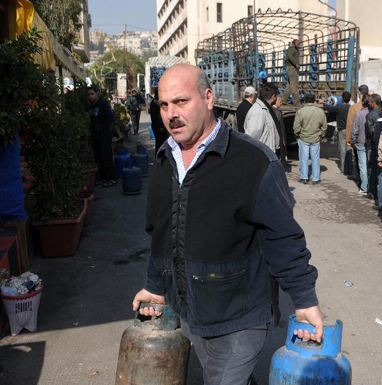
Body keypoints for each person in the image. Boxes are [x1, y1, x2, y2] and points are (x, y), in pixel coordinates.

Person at [133, 64, 323, 385]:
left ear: (208, 98)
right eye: (164, 105)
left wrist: (304, 298)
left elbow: (282, 237)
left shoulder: (253, 161)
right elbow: (161, 233)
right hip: (191, 309)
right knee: (219, 375)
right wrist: (154, 285)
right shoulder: (165, 159)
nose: (171, 114)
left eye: (181, 102)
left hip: (240, 316)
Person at [293, 93, 328, 184]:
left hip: (303, 137)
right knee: (315, 158)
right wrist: (321, 134)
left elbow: (296, 126)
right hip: (316, 137)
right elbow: (324, 126)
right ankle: (316, 178)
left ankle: (304, 178)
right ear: (314, 100)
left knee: (304, 158)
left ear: (305, 100)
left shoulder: (301, 111)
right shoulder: (320, 111)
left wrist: (297, 134)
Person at [87, 86, 117, 187]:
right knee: (98, 157)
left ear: (96, 94)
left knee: (106, 156)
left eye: (92, 94)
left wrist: (100, 128)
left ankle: (112, 178)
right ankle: (103, 178)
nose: (90, 96)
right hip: (96, 135)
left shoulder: (102, 103)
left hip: (105, 134)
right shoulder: (91, 105)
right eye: (88, 94)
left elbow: (110, 118)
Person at [244, 82, 281, 153]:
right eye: (276, 96)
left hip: (266, 154)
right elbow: (251, 138)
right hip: (261, 156)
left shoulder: (265, 109)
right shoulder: (258, 112)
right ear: (273, 97)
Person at [322, 91, 352, 173]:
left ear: (342, 99)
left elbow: (329, 108)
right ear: (349, 99)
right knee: (349, 150)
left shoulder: (339, 107)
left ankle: (343, 168)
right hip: (350, 131)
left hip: (342, 131)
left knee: (342, 150)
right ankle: (350, 169)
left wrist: (323, 103)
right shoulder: (352, 108)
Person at [351, 95, 371, 194]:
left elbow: (354, 130)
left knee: (363, 166)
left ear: (362, 103)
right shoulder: (375, 113)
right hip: (371, 143)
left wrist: (353, 141)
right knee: (370, 166)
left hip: (361, 142)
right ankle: (371, 188)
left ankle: (364, 188)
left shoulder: (359, 114)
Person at [149, 88, 170, 155]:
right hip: (159, 127)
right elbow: (157, 117)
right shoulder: (155, 103)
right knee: (160, 142)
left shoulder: (156, 102)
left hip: (159, 126)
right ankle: (160, 157)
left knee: (161, 142)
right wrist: (160, 126)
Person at [282, 39, 300, 106]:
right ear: (293, 43)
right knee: (295, 86)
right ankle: (296, 102)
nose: (299, 44)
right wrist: (296, 64)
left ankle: (284, 100)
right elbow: (289, 56)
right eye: (297, 42)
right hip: (292, 68)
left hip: (290, 68)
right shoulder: (292, 49)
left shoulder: (293, 49)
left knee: (289, 86)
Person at [272, 95, 288, 164]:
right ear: (276, 102)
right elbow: (282, 127)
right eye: (280, 102)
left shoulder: (271, 109)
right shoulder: (278, 112)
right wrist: (284, 139)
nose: (281, 104)